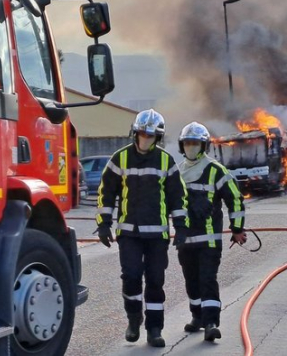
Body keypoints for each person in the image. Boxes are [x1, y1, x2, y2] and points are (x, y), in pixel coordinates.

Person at [95, 109, 189, 348]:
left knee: (156, 280)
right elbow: (106, 192)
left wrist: (181, 227)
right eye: (142, 135)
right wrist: (104, 224)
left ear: (157, 138)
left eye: (150, 136)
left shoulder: (166, 161)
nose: (145, 139)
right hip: (129, 234)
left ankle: (155, 328)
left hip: (158, 234)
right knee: (132, 277)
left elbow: (177, 197)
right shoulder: (120, 158)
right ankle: (134, 319)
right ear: (134, 134)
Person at [175, 122, 246, 342]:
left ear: (204, 145)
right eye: (188, 143)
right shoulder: (177, 172)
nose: (191, 147)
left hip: (209, 240)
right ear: (182, 145)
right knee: (191, 281)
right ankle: (197, 317)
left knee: (207, 279)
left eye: (195, 143)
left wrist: (237, 229)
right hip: (185, 240)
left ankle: (211, 323)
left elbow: (234, 198)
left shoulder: (215, 170)